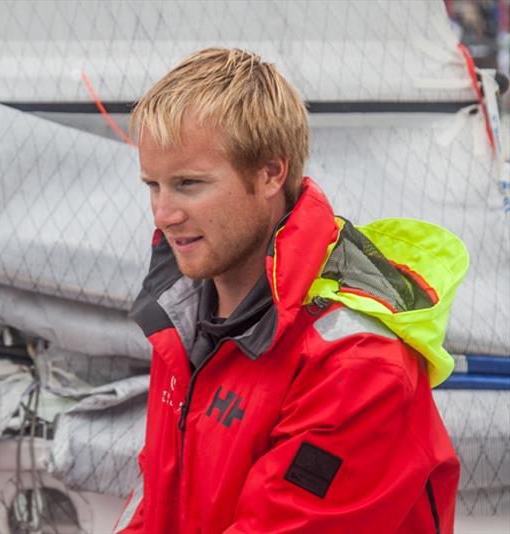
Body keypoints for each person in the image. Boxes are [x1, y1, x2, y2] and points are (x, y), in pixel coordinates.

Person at [115, 48, 467, 534]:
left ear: (270, 173)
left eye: (188, 184)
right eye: (153, 186)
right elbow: (155, 502)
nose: (163, 213)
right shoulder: (183, 318)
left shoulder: (359, 363)